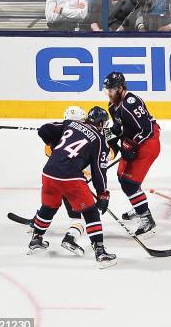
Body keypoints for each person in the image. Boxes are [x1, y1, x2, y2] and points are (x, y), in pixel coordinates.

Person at [29, 106, 116, 269]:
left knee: (48, 207)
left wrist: (58, 149)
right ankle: (100, 252)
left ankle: (36, 239)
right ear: (101, 123)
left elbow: (44, 130)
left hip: (48, 173)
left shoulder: (71, 123)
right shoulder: (99, 140)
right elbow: (98, 171)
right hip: (70, 178)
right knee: (90, 212)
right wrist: (103, 194)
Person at [105, 72, 161, 238]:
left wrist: (131, 144)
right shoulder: (112, 105)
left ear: (121, 89)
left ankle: (146, 219)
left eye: (112, 90)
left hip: (148, 143)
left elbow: (147, 130)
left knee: (129, 182)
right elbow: (120, 126)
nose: (109, 93)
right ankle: (139, 206)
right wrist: (112, 134)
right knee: (122, 177)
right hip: (134, 141)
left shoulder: (131, 102)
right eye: (107, 90)